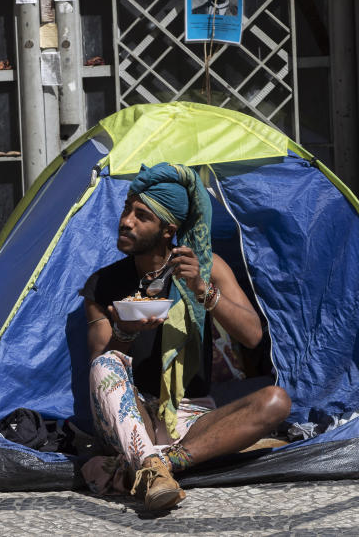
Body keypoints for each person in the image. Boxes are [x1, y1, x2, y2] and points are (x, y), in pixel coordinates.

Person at [80, 163, 290, 511]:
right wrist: (124, 332)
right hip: (132, 413)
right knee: (105, 364)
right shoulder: (103, 284)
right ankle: (163, 461)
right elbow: (100, 369)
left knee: (275, 402)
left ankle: (161, 465)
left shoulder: (206, 268)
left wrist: (202, 291)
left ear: (167, 230)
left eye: (141, 215)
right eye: (126, 209)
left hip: (190, 414)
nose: (126, 221)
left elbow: (252, 335)